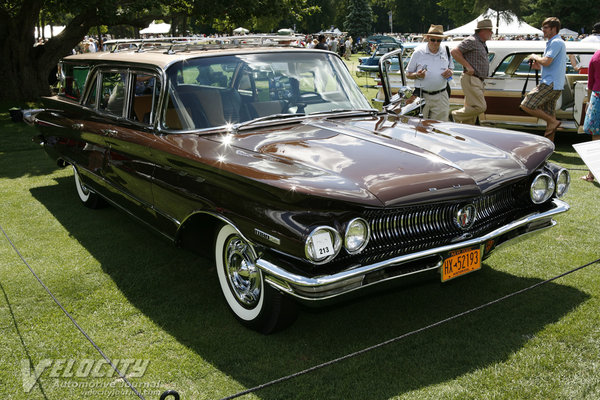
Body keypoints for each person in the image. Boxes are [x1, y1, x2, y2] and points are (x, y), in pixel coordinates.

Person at [520, 17, 567, 142]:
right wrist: (537, 66)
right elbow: (549, 65)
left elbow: (547, 61)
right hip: (555, 83)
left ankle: (553, 122)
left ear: (554, 29)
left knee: (526, 104)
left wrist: (535, 56)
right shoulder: (555, 42)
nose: (543, 30)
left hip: (550, 83)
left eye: (545, 28)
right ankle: (550, 144)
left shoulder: (556, 42)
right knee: (549, 113)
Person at [405, 24, 454, 121]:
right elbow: (408, 74)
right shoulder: (418, 52)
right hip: (421, 96)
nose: (436, 43)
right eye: (433, 40)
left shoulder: (447, 51)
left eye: (439, 40)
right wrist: (417, 75)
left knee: (439, 128)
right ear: (428, 38)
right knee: (419, 127)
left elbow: (451, 68)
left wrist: (450, 73)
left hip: (441, 96)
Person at [450, 19, 493, 124]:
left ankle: (465, 132)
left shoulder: (481, 42)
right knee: (480, 107)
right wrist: (468, 66)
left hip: (477, 80)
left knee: (471, 109)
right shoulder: (472, 40)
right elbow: (454, 51)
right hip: (472, 79)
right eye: (490, 30)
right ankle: (453, 115)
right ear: (482, 31)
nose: (492, 33)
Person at [581, 48, 600, 182]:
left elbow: (590, 83)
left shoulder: (596, 55)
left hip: (598, 96)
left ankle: (591, 174)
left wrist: (588, 101)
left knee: (596, 137)